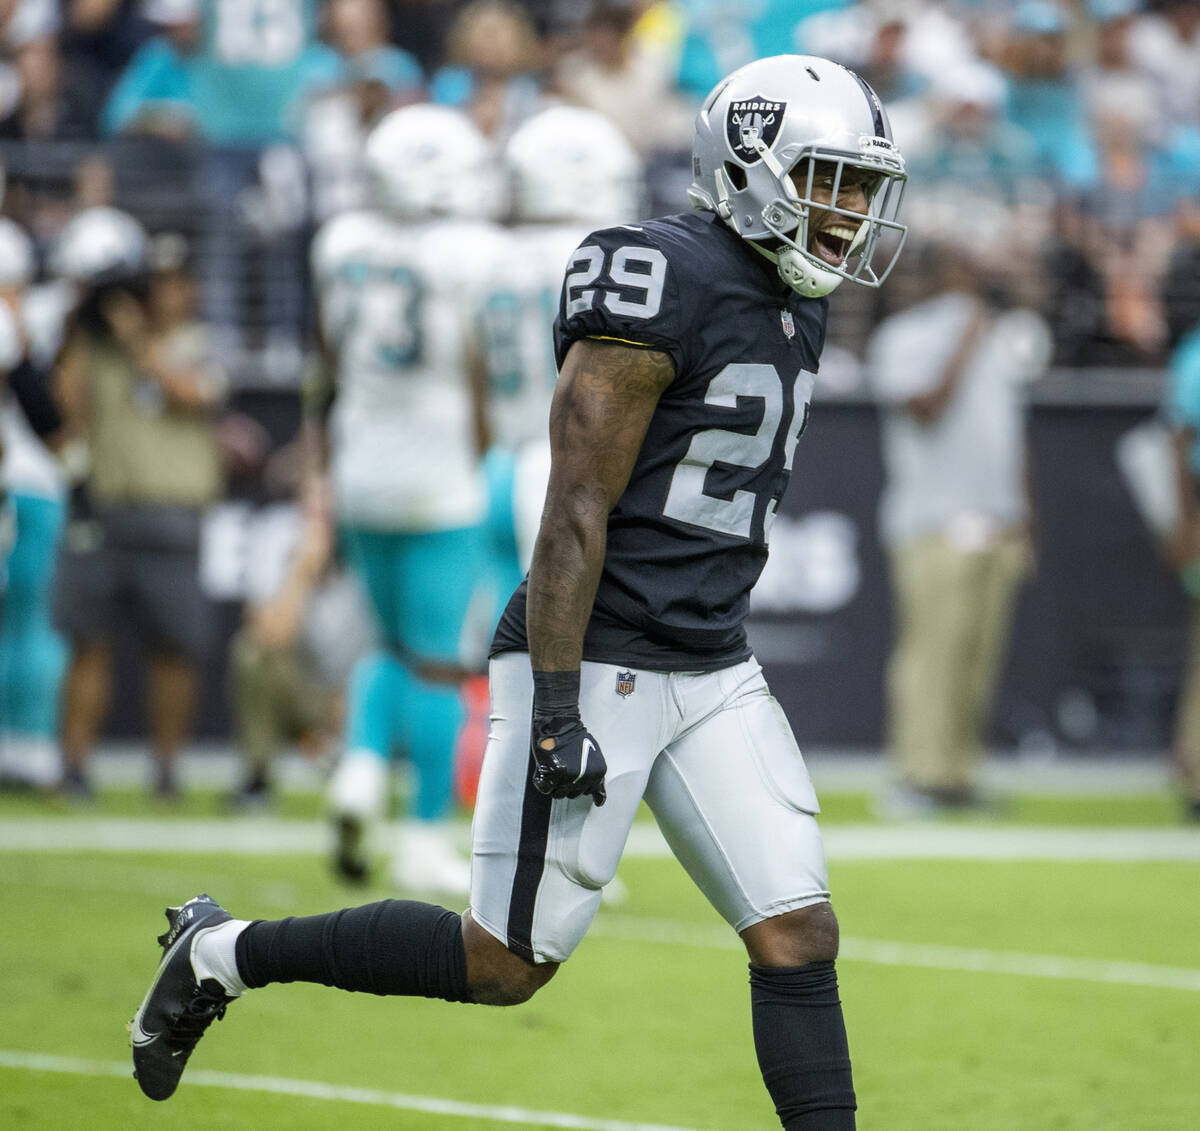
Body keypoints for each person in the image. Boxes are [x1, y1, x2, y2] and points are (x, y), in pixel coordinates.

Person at [127, 54, 910, 1129]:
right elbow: (574, 507)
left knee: (795, 932)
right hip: (596, 654)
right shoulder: (655, 274)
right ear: (752, 165)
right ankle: (222, 953)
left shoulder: (797, 296)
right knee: (501, 961)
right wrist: (552, 707)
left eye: (865, 187)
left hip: (712, 661)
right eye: (832, 178)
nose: (852, 211)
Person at [309, 103, 506, 895]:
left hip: (362, 459)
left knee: (385, 642)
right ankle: (423, 830)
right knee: (438, 661)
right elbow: (482, 366)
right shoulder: (474, 251)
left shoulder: (341, 241)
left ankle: (360, 767)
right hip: (438, 468)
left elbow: (327, 354)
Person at [864, 241, 1051, 816]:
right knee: (931, 656)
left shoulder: (1000, 335)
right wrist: (964, 345)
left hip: (996, 520)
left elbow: (1009, 435)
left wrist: (1026, 516)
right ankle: (916, 777)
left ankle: (957, 776)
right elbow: (923, 408)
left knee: (977, 658)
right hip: (934, 520)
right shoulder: (901, 337)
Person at [51, 217, 227, 801]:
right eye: (160, 283)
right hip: (105, 509)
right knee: (88, 641)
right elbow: (65, 411)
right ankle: (74, 767)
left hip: (174, 515)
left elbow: (191, 392)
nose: (171, 294)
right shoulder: (97, 345)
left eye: (180, 282)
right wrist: (80, 322)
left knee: (174, 649)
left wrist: (136, 343)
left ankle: (167, 770)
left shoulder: (200, 342)